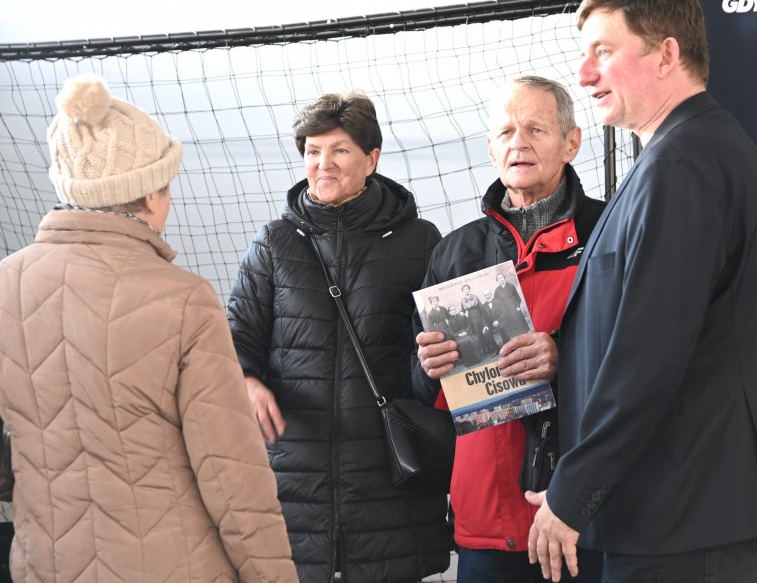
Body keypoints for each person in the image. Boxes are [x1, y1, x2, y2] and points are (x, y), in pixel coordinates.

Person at [526, 0, 757, 583]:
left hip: (690, 518)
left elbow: (649, 357)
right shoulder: (686, 152)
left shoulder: (683, 166)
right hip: (691, 512)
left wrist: (572, 494)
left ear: (667, 54)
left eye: (604, 53)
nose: (584, 75)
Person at [0, 73, 297, 582]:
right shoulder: (183, 299)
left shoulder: (7, 284)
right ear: (152, 194)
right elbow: (231, 477)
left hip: (44, 564)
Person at [227, 92, 452, 582]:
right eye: (312, 151)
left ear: (372, 158)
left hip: (390, 481)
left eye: (339, 150)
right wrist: (244, 378)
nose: (322, 164)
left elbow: (435, 368)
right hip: (295, 483)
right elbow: (235, 336)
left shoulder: (421, 242)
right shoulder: (274, 244)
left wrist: (436, 366)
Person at [413, 75, 605, 583]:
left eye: (535, 128)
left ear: (572, 142)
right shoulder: (453, 252)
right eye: (505, 132)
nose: (517, 142)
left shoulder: (608, 232)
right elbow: (423, 389)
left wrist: (565, 355)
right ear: (490, 148)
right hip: (487, 525)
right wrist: (428, 368)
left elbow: (646, 353)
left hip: (585, 517)